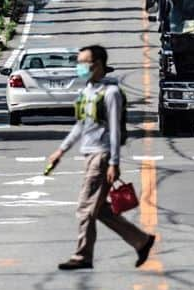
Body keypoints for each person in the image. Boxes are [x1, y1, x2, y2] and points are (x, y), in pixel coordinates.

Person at [47, 43, 155, 271]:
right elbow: (80, 126)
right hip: (89, 154)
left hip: (102, 156)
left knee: (85, 207)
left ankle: (82, 256)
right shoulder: (86, 91)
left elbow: (115, 129)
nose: (79, 67)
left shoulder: (112, 93)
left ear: (97, 65)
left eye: (82, 62)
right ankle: (141, 241)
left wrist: (114, 162)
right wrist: (61, 150)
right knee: (100, 209)